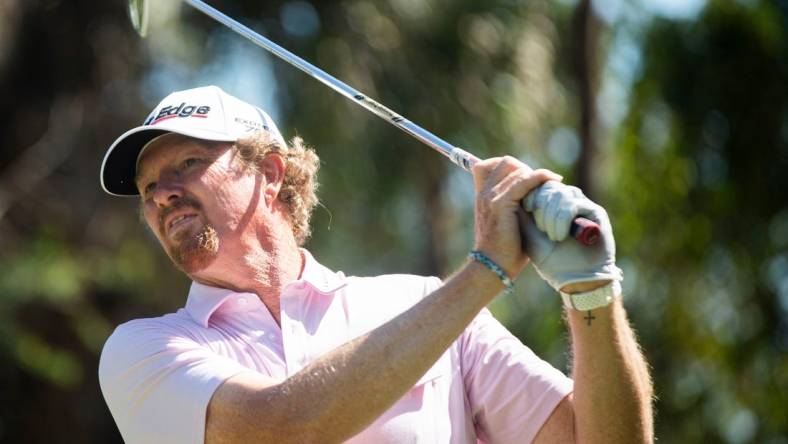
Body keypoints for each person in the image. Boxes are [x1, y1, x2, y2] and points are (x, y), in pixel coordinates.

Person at [98, 85, 653, 444]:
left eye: (188, 164)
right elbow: (282, 428)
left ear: (268, 173)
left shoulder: (418, 303)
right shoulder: (143, 350)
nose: (161, 195)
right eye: (148, 188)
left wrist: (591, 293)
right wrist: (485, 271)